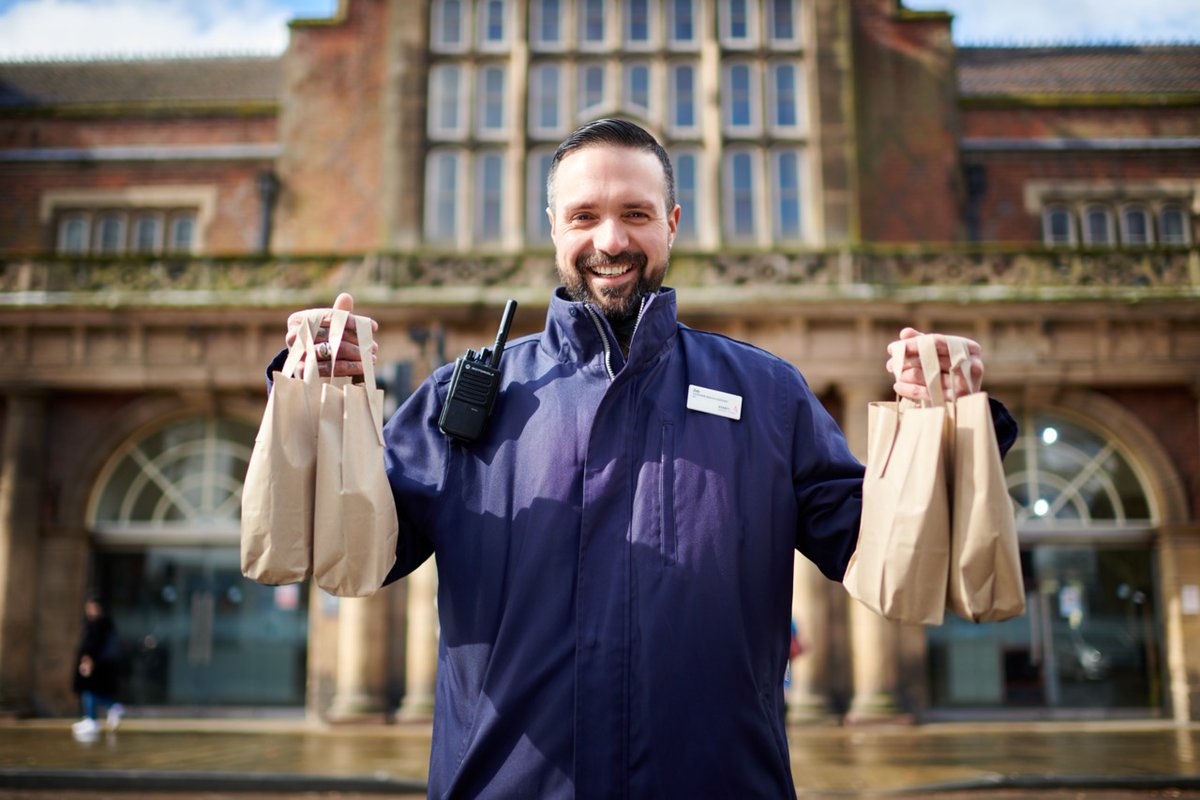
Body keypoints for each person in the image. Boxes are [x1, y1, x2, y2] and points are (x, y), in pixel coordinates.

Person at [274, 118, 1017, 798]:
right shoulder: (465, 395)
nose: (610, 241)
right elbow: (358, 552)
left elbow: (882, 548)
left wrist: (942, 428)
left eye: (634, 213)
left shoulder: (768, 393)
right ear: (554, 229)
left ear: (671, 223)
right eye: (584, 217)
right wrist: (324, 405)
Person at [71, 596, 124, 738]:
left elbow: (93, 646)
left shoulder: (99, 625)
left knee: (89, 692)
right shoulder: (99, 624)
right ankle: (93, 717)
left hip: (96, 665)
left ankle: (96, 717)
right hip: (98, 664)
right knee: (89, 692)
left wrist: (88, 660)